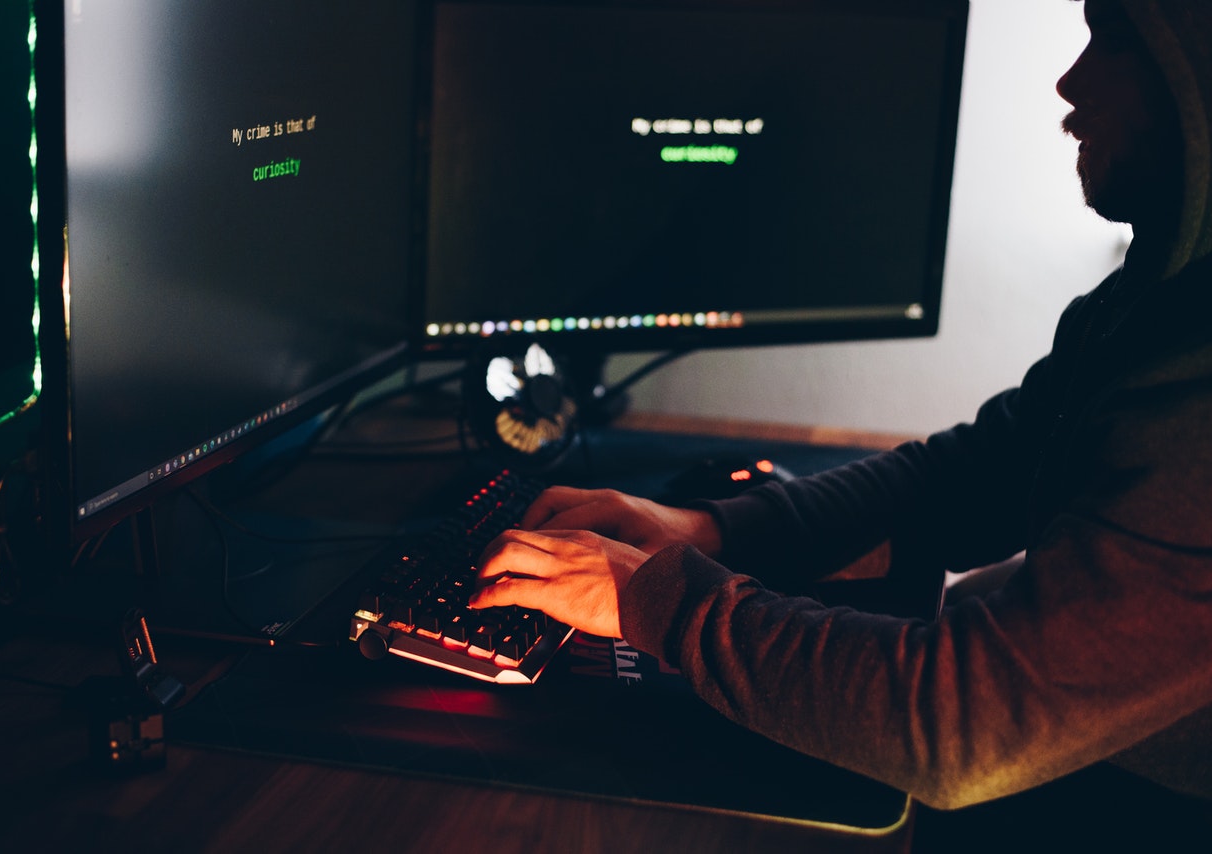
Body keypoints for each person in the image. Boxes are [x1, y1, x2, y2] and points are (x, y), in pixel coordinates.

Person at [470, 0, 1212, 830]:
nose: (1067, 82)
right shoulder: (1158, 299)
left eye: (1115, 42)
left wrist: (648, 596)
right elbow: (975, 475)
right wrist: (703, 532)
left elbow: (962, 728)